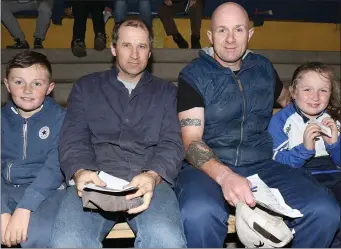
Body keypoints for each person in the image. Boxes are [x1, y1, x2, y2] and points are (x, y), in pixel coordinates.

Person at [175, 2, 340, 248]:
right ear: (210, 36)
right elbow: (191, 142)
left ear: (250, 34)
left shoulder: (262, 68)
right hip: (208, 167)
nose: (230, 39)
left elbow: (289, 99)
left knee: (324, 211)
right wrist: (226, 176)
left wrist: (325, 113)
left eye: (238, 30)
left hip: (263, 164)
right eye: (222, 30)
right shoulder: (193, 76)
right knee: (200, 214)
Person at [49, 19, 187, 248]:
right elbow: (74, 137)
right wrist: (81, 171)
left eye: (142, 46)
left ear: (150, 51)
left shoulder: (166, 92)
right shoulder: (86, 87)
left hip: (148, 180)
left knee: (166, 239)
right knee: (67, 241)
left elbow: (172, 142)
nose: (134, 54)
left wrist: (153, 175)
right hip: (96, 180)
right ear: (113, 49)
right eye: (126, 45)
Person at [1, 50, 66, 248]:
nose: (27, 90)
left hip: (48, 191)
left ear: (49, 87)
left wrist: (24, 208)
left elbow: (55, 168)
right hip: (5, 189)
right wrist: (2, 210)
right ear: (6, 84)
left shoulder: (61, 118)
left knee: (38, 234)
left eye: (37, 83)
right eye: (19, 82)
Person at [268, 62, 341, 234]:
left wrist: (334, 145)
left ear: (330, 94)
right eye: (307, 89)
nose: (315, 97)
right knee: (325, 210)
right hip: (301, 176)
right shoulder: (282, 120)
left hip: (333, 174)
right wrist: (305, 149)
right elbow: (277, 162)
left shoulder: (334, 120)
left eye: (323, 90)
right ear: (293, 92)